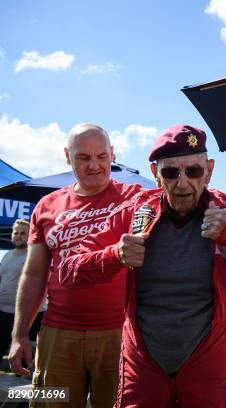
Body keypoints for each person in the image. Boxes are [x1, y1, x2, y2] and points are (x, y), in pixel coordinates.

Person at [58, 124, 226, 407]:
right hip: (142, 362)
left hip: (210, 360)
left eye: (193, 171)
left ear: (209, 170)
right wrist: (113, 255)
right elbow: (68, 270)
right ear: (155, 174)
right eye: (171, 172)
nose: (182, 183)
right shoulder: (133, 212)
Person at [9, 123, 143, 408]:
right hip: (58, 333)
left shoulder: (133, 198)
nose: (94, 165)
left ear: (112, 154)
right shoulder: (46, 206)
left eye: (101, 156)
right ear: (67, 156)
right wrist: (20, 334)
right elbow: (34, 273)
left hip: (120, 333)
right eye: (83, 157)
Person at [0, 219, 46, 358]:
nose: (18, 236)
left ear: (30, 235)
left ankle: (21, 379)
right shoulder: (7, 255)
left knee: (24, 356)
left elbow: (41, 285)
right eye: (16, 233)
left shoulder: (35, 257)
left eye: (23, 233)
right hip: (3, 312)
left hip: (26, 316)